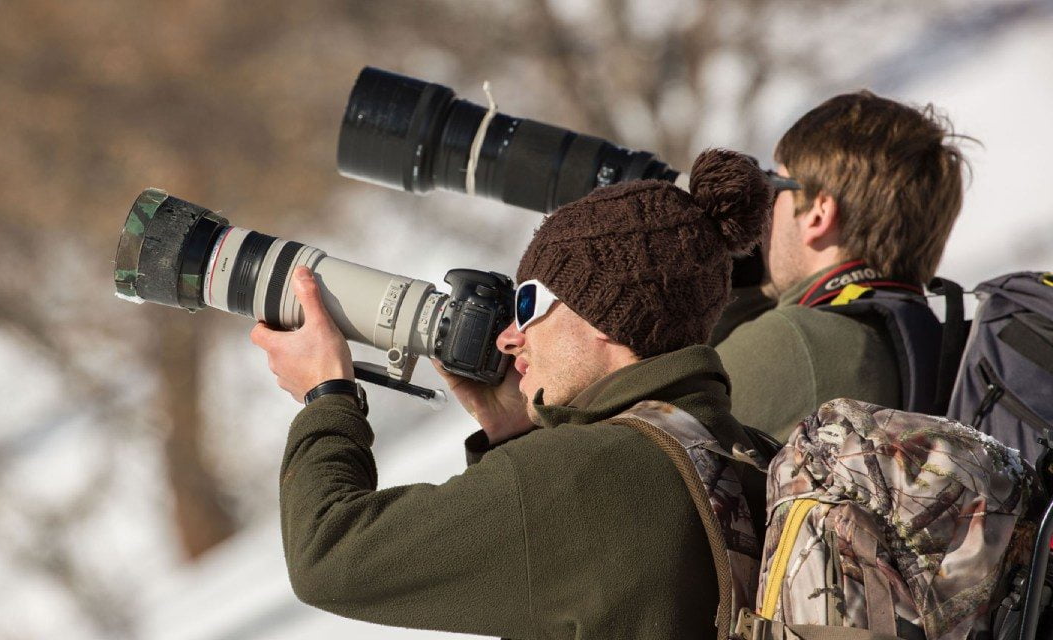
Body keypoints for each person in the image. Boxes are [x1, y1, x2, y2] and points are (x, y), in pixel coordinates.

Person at [249, 149, 773, 640]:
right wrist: (512, 434)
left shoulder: (582, 476)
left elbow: (331, 557)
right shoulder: (746, 449)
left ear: (608, 317)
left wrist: (327, 392)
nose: (509, 334)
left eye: (529, 301)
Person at [711, 91, 969, 441]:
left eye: (777, 185)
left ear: (818, 213)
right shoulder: (924, 337)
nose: (767, 208)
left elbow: (633, 445)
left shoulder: (793, 341)